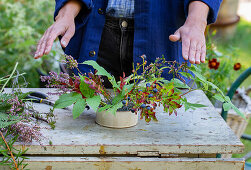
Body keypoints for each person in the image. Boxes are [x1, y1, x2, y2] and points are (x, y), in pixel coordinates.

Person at [34, 0, 222, 81]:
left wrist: (197, 20)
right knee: (86, 143)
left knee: (164, 141)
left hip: (163, 37)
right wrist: (67, 13)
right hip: (96, 38)